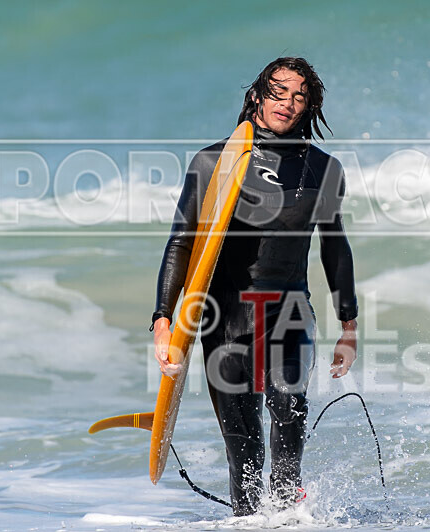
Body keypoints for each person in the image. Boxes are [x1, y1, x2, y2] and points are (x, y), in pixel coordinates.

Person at [150, 57, 358, 516]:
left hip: (290, 311)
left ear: (309, 108)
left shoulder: (323, 169)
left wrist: (349, 326)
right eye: (278, 92)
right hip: (224, 318)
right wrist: (163, 321)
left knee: (288, 411)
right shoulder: (213, 162)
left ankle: (289, 517)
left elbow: (335, 248)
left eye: (299, 97)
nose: (288, 103)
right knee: (243, 449)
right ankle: (248, 523)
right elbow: (182, 242)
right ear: (256, 97)